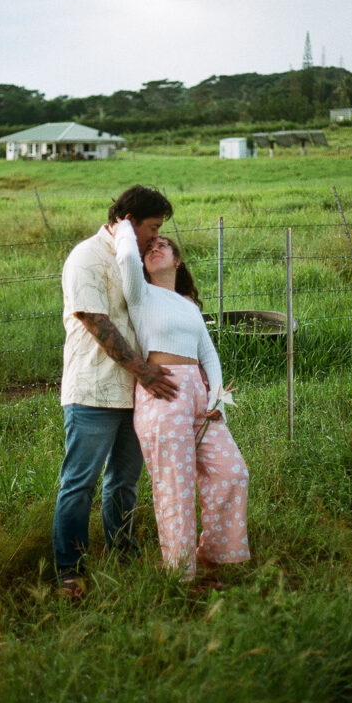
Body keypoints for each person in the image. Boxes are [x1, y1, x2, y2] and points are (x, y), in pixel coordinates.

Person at [52, 185, 179, 599]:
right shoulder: (86, 257)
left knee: (124, 483)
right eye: (152, 227)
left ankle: (124, 555)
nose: (155, 236)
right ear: (128, 221)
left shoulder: (135, 259)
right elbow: (96, 321)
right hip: (94, 390)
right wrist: (145, 371)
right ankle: (69, 570)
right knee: (80, 483)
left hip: (136, 393)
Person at [114, 216, 250, 582]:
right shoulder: (140, 295)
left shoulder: (189, 306)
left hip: (200, 396)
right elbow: (125, 257)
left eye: (163, 245)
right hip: (164, 393)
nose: (155, 248)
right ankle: (181, 572)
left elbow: (209, 355)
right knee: (176, 485)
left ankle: (215, 554)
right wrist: (125, 223)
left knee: (232, 472)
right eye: (150, 247)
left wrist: (218, 400)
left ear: (177, 261)